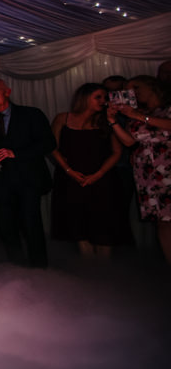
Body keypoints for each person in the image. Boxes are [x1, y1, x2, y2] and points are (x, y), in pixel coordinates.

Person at [48, 83, 129, 258]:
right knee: (77, 222)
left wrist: (98, 174)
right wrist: (69, 170)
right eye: (98, 97)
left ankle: (105, 272)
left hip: (102, 178)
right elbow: (52, 147)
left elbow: (117, 152)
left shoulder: (107, 121)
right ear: (84, 98)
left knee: (103, 223)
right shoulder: (63, 118)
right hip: (71, 178)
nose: (103, 101)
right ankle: (89, 270)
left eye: (105, 98)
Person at [0, 78, 56, 268]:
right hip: (0, 181)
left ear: (7, 92)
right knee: (6, 226)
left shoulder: (31, 114)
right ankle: (16, 267)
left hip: (28, 179)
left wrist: (15, 153)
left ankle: (39, 268)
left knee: (31, 224)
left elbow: (48, 143)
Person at [107, 75, 171, 262]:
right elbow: (129, 141)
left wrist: (138, 116)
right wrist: (113, 120)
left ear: (151, 86)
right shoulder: (133, 114)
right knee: (162, 222)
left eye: (134, 87)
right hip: (148, 173)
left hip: (167, 167)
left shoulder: (166, 109)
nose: (131, 93)